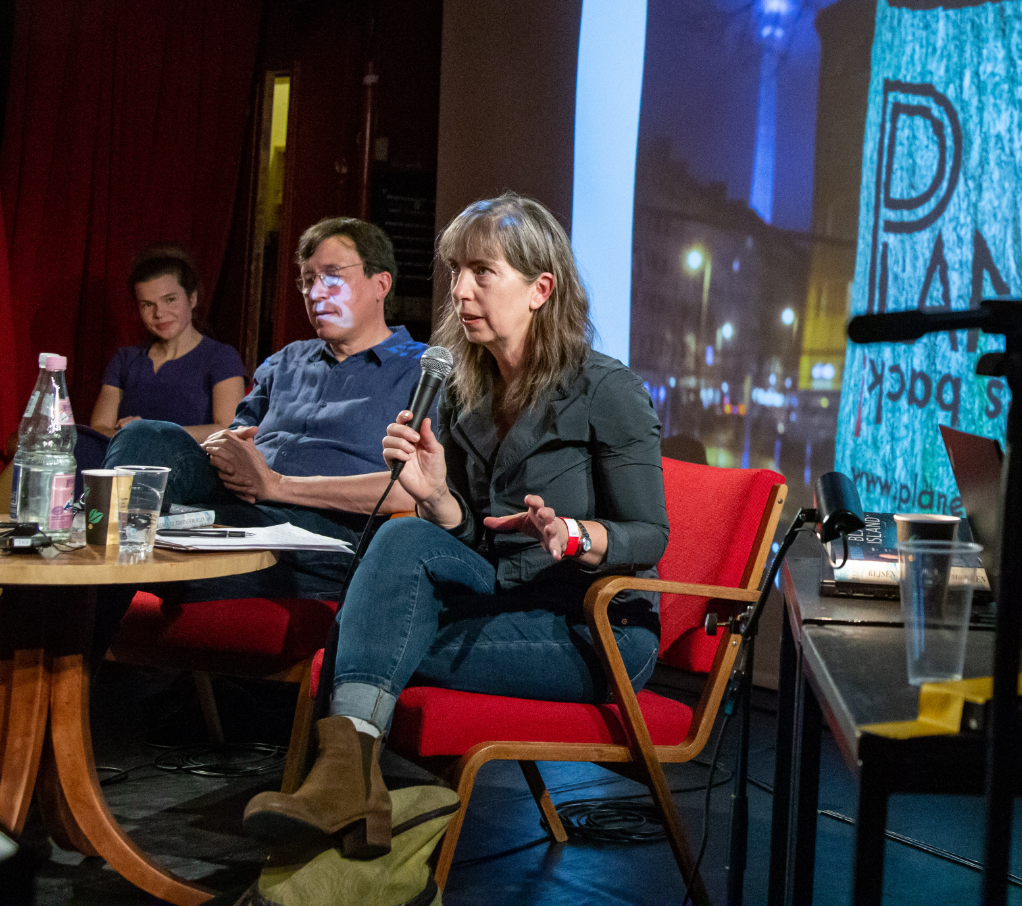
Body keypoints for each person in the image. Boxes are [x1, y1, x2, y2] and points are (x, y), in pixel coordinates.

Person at [242, 193, 668, 858]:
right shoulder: (466, 391)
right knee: (405, 535)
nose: (461, 292)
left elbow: (650, 534)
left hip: (589, 627)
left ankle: (347, 797)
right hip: (497, 597)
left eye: (482, 274)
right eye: (455, 274)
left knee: (364, 643)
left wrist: (578, 535)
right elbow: (469, 534)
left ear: (540, 289)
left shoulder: (604, 390)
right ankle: (350, 800)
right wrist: (439, 498)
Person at [103, 217, 433, 599]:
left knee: (145, 536)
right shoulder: (286, 360)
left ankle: (132, 539)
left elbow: (413, 490)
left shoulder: (422, 370)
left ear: (381, 284)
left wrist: (276, 485)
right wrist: (229, 450)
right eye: (307, 280)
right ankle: (113, 538)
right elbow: (234, 437)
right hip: (240, 501)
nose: (315, 293)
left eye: (331, 276)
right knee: (146, 437)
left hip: (324, 535)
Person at [90, 244, 246, 441]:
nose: (159, 314)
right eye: (147, 304)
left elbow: (228, 429)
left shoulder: (221, 357)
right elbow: (99, 428)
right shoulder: (125, 360)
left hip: (191, 468)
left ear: (192, 298)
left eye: (170, 300)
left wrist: (152, 431)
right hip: (127, 465)